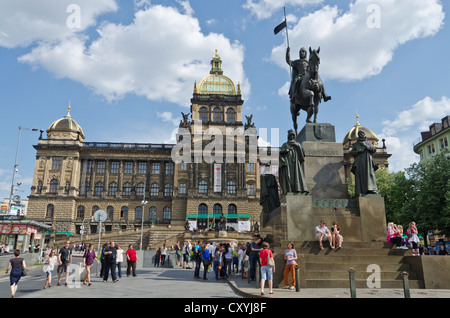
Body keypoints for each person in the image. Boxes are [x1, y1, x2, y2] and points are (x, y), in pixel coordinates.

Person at [279, 129, 309, 195]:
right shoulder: (285, 145)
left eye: (292, 135)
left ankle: (298, 189)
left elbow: (302, 155)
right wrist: (284, 151)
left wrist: (298, 148)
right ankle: (289, 189)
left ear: (294, 136)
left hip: (295, 163)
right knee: (288, 176)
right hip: (288, 163)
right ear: (288, 136)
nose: (291, 137)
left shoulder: (297, 144)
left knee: (297, 176)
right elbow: (279, 152)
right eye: (290, 135)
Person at [350, 130, 378, 195]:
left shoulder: (368, 143)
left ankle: (372, 189)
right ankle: (360, 191)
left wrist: (367, 147)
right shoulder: (356, 144)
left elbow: (374, 149)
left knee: (369, 175)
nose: (360, 135)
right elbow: (351, 152)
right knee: (360, 176)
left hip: (368, 161)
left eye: (361, 134)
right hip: (359, 162)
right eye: (359, 134)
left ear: (364, 134)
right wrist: (358, 151)